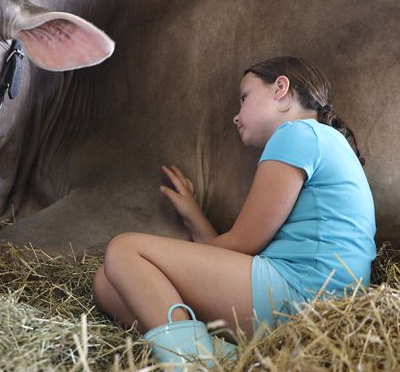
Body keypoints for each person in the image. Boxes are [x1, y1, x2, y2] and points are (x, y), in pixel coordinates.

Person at [92, 56, 376, 363]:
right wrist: (194, 216)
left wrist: (187, 239)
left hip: (303, 294)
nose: (236, 117)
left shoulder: (297, 134)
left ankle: (195, 362)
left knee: (125, 250)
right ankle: (223, 356)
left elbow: (244, 243)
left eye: (244, 97)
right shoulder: (321, 139)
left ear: (281, 88)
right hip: (313, 302)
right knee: (108, 283)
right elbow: (237, 253)